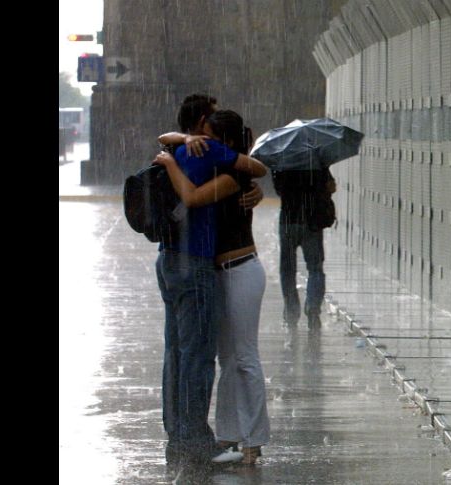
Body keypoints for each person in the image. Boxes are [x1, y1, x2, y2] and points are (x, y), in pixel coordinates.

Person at [152, 97, 267, 472]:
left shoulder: (221, 166)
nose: (201, 138)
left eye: (206, 136)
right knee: (212, 359)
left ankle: (243, 440)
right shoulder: (198, 153)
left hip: (234, 268)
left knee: (230, 357)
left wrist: (172, 156)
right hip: (208, 270)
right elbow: (168, 137)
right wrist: (180, 145)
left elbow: (194, 194)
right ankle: (214, 439)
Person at [272, 168, 336, 328]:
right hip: (312, 221)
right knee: (315, 268)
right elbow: (331, 187)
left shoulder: (281, 159)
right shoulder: (316, 157)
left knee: (287, 270)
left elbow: (279, 190)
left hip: (288, 221)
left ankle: (291, 312)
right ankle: (313, 309)